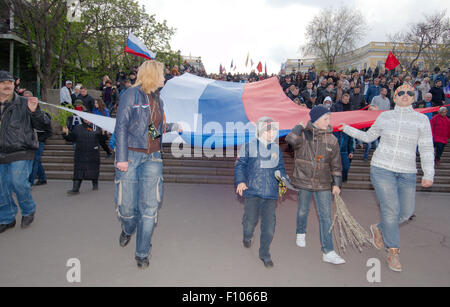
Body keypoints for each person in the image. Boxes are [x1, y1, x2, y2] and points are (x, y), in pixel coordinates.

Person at [338, 84, 434, 272]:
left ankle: (379, 228)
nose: (405, 95)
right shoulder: (385, 116)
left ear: (414, 98)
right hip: (382, 169)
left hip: (407, 172)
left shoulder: (422, 120)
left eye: (409, 93)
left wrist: (428, 173)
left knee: (406, 213)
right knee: (391, 210)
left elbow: (426, 148)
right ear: (394, 97)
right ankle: (393, 251)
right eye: (401, 92)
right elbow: (368, 137)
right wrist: (346, 128)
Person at [114, 60, 181, 269]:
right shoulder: (131, 95)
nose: (164, 77)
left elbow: (153, 129)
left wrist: (171, 127)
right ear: (152, 75)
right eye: (162, 74)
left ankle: (142, 252)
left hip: (153, 158)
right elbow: (121, 126)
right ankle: (127, 227)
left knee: (150, 209)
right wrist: (122, 157)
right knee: (127, 208)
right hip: (131, 156)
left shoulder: (157, 100)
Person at [286, 105, 346, 265]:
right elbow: (290, 140)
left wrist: (337, 184)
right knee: (302, 211)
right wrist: (299, 126)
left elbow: (336, 164)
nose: (329, 121)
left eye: (329, 118)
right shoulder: (304, 135)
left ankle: (328, 251)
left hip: (323, 183)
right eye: (326, 119)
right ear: (316, 119)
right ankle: (300, 232)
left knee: (326, 217)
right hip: (304, 180)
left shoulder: (332, 139)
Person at [0, 71, 49, 233]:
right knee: (2, 188)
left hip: (20, 150)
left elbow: (43, 125)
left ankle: (28, 210)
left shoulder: (24, 102)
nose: (7, 85)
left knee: (18, 183)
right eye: (3, 82)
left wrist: (34, 111)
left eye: (10, 82)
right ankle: (7, 218)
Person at [235, 117, 287, 268]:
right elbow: (240, 165)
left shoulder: (276, 149)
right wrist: (240, 181)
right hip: (252, 190)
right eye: (269, 130)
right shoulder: (249, 146)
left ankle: (264, 254)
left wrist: (283, 183)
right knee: (250, 221)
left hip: (270, 193)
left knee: (269, 227)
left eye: (274, 130)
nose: (273, 133)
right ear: (261, 130)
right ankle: (247, 235)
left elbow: (280, 169)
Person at [62, 109, 102, 195]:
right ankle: (75, 189)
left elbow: (102, 140)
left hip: (93, 153)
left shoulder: (97, 127)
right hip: (80, 153)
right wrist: (66, 133)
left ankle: (95, 184)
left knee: (94, 170)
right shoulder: (78, 128)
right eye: (84, 117)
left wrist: (104, 134)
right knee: (78, 171)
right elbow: (71, 138)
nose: (86, 119)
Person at [22, 91, 53, 186]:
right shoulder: (22, 112)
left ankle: (29, 182)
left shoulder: (41, 114)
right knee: (36, 160)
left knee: (34, 160)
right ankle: (42, 177)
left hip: (39, 141)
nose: (26, 99)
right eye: (24, 98)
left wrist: (41, 139)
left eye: (28, 98)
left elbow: (49, 130)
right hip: (28, 140)